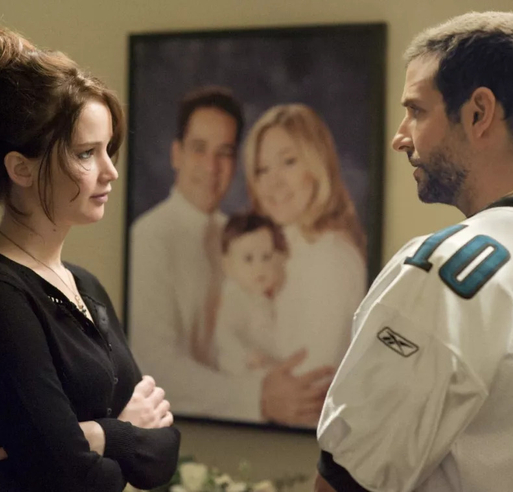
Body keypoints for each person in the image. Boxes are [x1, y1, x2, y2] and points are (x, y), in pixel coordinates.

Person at [315, 11, 513, 492]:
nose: (400, 137)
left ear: (478, 113)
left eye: (417, 111)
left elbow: (348, 482)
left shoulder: (444, 270)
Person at [0, 24, 179, 491]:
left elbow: (164, 453)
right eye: (86, 153)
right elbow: (72, 479)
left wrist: (87, 438)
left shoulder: (85, 286)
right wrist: (120, 431)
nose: (110, 171)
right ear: (21, 168)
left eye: (108, 150)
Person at [129, 88, 333, 427]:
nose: (211, 167)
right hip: (182, 429)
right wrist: (258, 396)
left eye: (224, 153)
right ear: (177, 154)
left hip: (249, 426)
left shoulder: (238, 237)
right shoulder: (149, 239)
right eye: (199, 149)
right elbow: (155, 366)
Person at [243, 103, 368, 380]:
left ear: (317, 164)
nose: (273, 183)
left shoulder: (330, 256)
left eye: (288, 162)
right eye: (262, 169)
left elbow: (312, 382)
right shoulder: (286, 251)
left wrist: (254, 371)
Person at [214, 213, 288, 375]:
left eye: (266, 257)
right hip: (240, 367)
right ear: (228, 266)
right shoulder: (235, 298)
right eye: (248, 259)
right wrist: (246, 355)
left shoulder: (268, 295)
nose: (259, 267)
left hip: (266, 362)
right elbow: (224, 335)